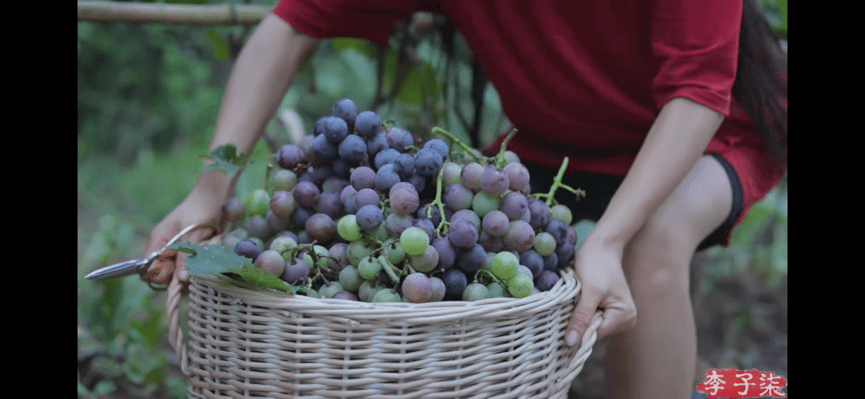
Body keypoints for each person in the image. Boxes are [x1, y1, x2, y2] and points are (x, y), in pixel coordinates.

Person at [142, 0, 787, 398]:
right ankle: (736, 388)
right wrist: (208, 192)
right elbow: (290, 26)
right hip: (557, 141)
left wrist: (611, 238)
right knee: (471, 245)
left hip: (710, 129)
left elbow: (698, 90)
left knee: (652, 249)